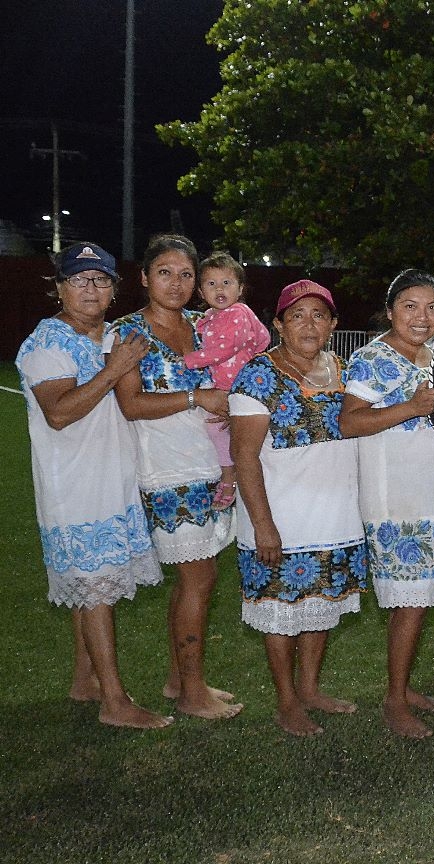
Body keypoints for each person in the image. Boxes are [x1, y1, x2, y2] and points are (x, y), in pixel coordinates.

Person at [17, 242, 170, 729]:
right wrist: (115, 369)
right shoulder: (47, 344)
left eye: (101, 280)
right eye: (80, 279)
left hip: (112, 479)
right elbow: (59, 413)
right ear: (58, 287)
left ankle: (85, 680)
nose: (91, 288)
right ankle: (115, 702)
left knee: (90, 588)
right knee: (97, 590)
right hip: (76, 487)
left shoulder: (112, 335)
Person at [109, 234, 240, 721]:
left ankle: (178, 679)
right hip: (166, 470)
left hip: (210, 465)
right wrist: (196, 399)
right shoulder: (128, 333)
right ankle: (191, 692)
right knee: (197, 579)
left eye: (187, 274)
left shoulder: (203, 328)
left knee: (197, 580)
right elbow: (131, 404)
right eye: (165, 272)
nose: (178, 283)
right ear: (144, 278)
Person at [229, 280, 367, 736]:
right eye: (297, 315)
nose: (309, 324)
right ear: (278, 324)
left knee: (321, 604)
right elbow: (244, 455)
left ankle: (310, 689)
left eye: (319, 315)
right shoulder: (258, 375)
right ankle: (287, 701)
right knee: (281, 610)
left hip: (334, 515)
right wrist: (263, 525)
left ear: (332, 324)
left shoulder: (343, 369)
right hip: (281, 517)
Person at [339, 270, 434, 739]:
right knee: (408, 602)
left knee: (419, 600)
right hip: (396, 499)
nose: (421, 317)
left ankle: (403, 689)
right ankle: (394, 699)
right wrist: (410, 407)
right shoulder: (371, 358)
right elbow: (350, 422)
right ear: (390, 311)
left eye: (431, 308)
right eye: (410, 306)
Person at [182, 252, 271, 510]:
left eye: (226, 283)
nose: (219, 289)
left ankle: (229, 477)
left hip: (234, 386)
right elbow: (263, 337)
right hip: (226, 383)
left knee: (219, 430)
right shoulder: (212, 316)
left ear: (240, 288)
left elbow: (225, 348)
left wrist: (189, 360)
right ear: (201, 291)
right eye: (211, 284)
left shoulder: (237, 313)